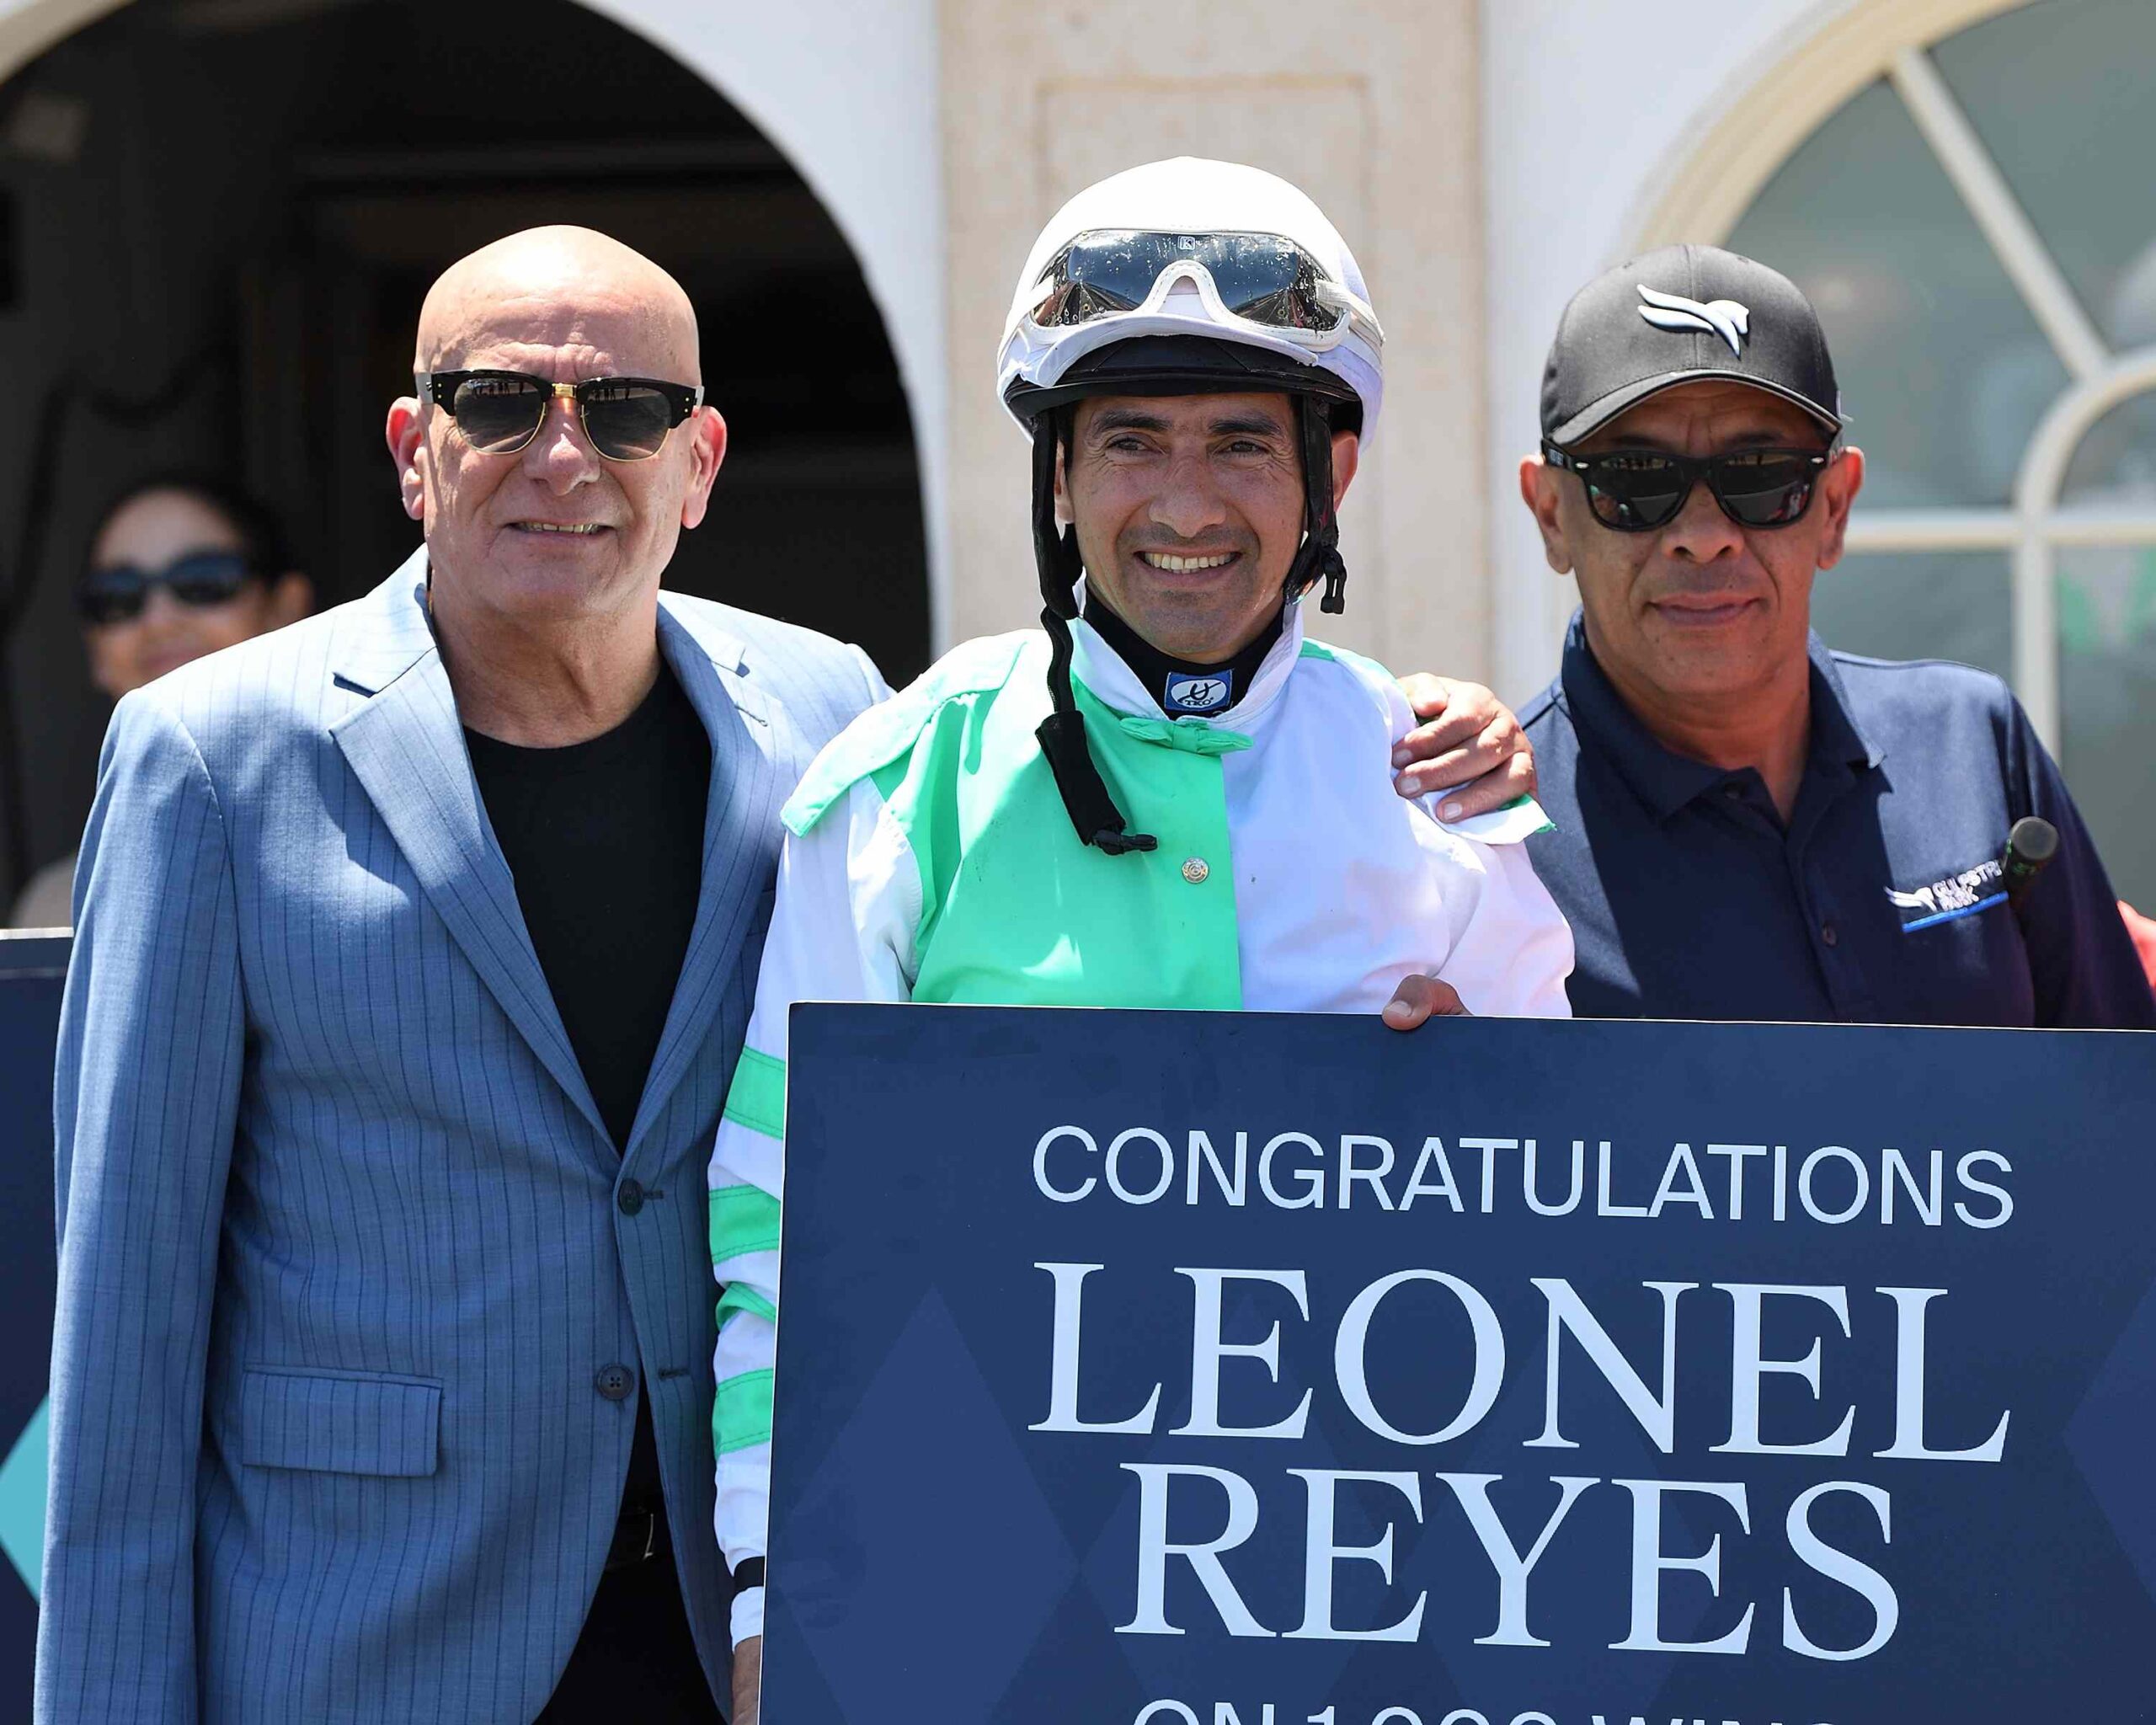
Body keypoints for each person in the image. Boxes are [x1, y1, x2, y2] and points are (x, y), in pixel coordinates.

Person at [39, 222, 1535, 1722]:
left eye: (625, 412)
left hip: (723, 1634)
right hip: (377, 1644)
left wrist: (1414, 761)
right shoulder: (209, 760)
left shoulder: (831, 715)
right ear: (411, 451)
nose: (562, 456)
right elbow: (125, 1344)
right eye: (497, 403)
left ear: (699, 465)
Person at [707, 158, 1576, 1721]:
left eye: (1243, 440)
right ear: (1057, 478)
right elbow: (780, 1221)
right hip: (970, 1577)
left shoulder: (1442, 791)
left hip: (1360, 1592)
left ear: (1330, 474)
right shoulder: (903, 786)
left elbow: (1567, 1239)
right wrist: (772, 1588)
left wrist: (1478, 1116)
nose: (1185, 503)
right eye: (1128, 442)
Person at [1515, 243, 2156, 1028]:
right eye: (1635, 480)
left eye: (1760, 474)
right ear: (1552, 515)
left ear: (1835, 507)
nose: (1705, 536)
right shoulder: (1484, 844)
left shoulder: (1974, 741)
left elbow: (2119, 1082)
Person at [8, 478, 311, 928]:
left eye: (203, 582)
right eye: (117, 596)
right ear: (96, 651)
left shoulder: (381, 850)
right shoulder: (56, 907)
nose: (158, 620)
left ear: (286, 609)